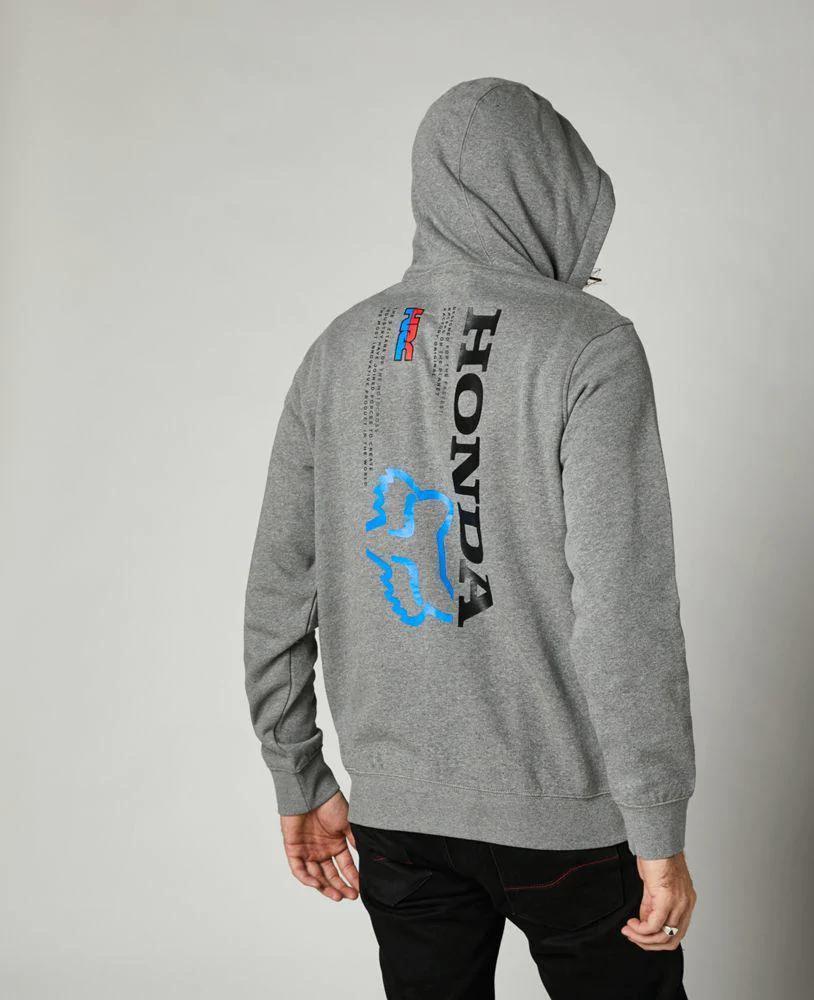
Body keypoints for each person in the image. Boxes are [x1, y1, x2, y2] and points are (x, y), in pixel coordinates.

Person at [243, 77, 696, 1000]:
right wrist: (656, 824)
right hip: (565, 820)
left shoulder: (337, 351)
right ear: (549, 190)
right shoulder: (587, 343)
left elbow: (279, 587)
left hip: (401, 819)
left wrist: (300, 774)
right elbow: (622, 603)